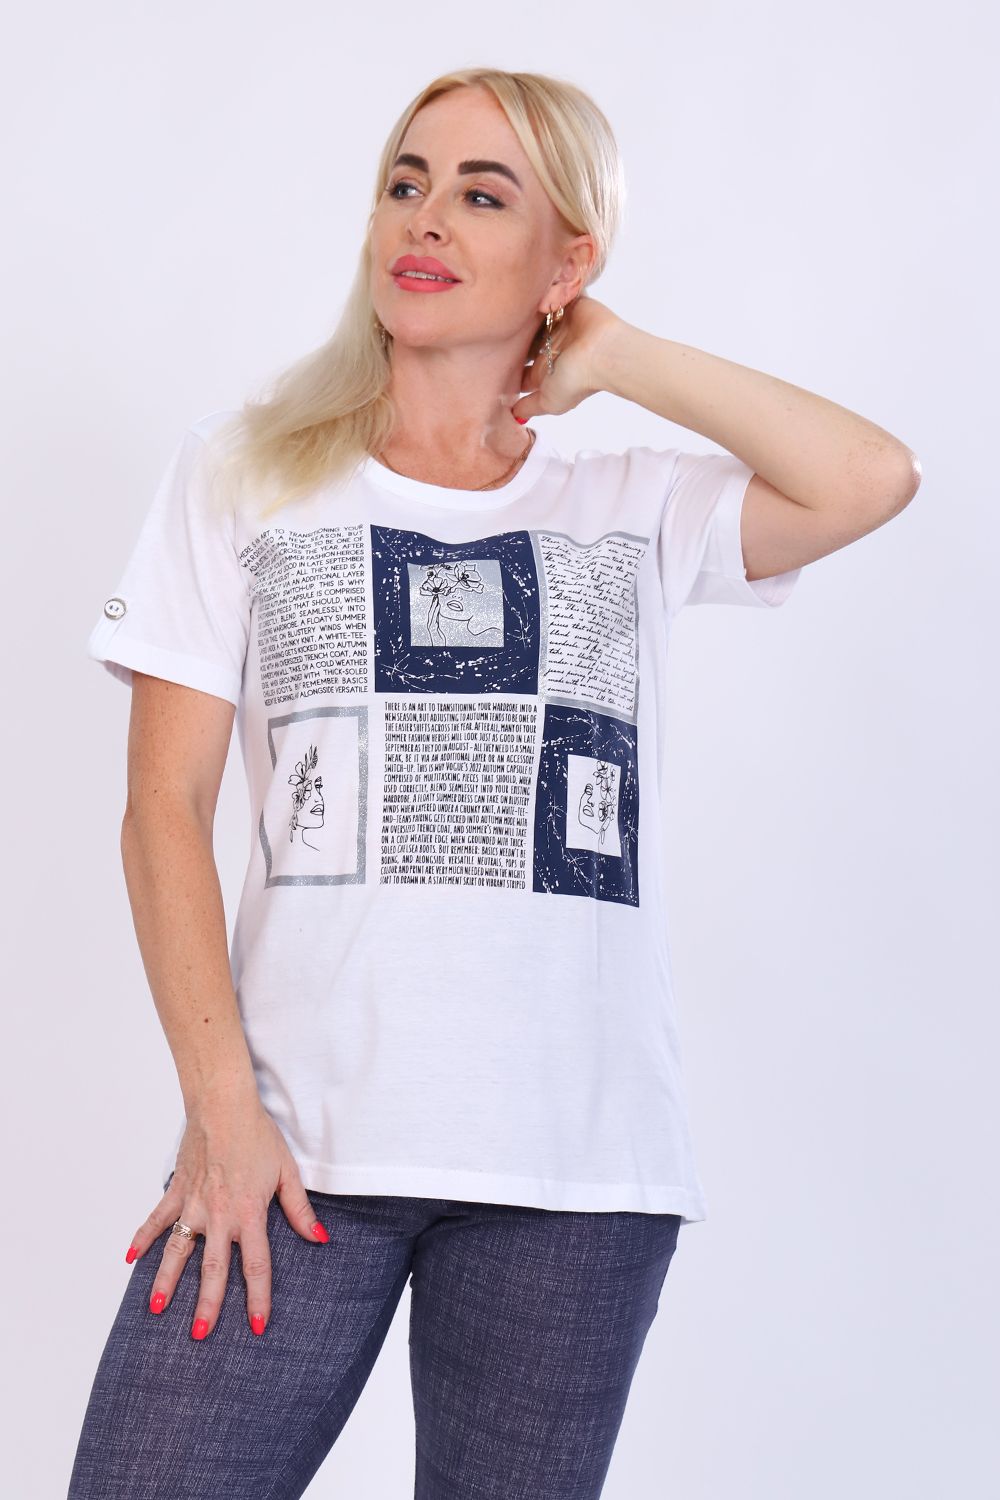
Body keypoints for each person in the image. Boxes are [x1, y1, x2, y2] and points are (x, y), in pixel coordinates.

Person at [68, 66, 920, 1500]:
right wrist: (220, 1110)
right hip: (292, 1155)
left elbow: (871, 477)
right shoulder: (243, 474)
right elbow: (162, 812)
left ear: (565, 261)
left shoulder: (628, 503)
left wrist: (618, 352)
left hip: (571, 1175)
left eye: (483, 194)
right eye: (407, 182)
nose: (427, 218)